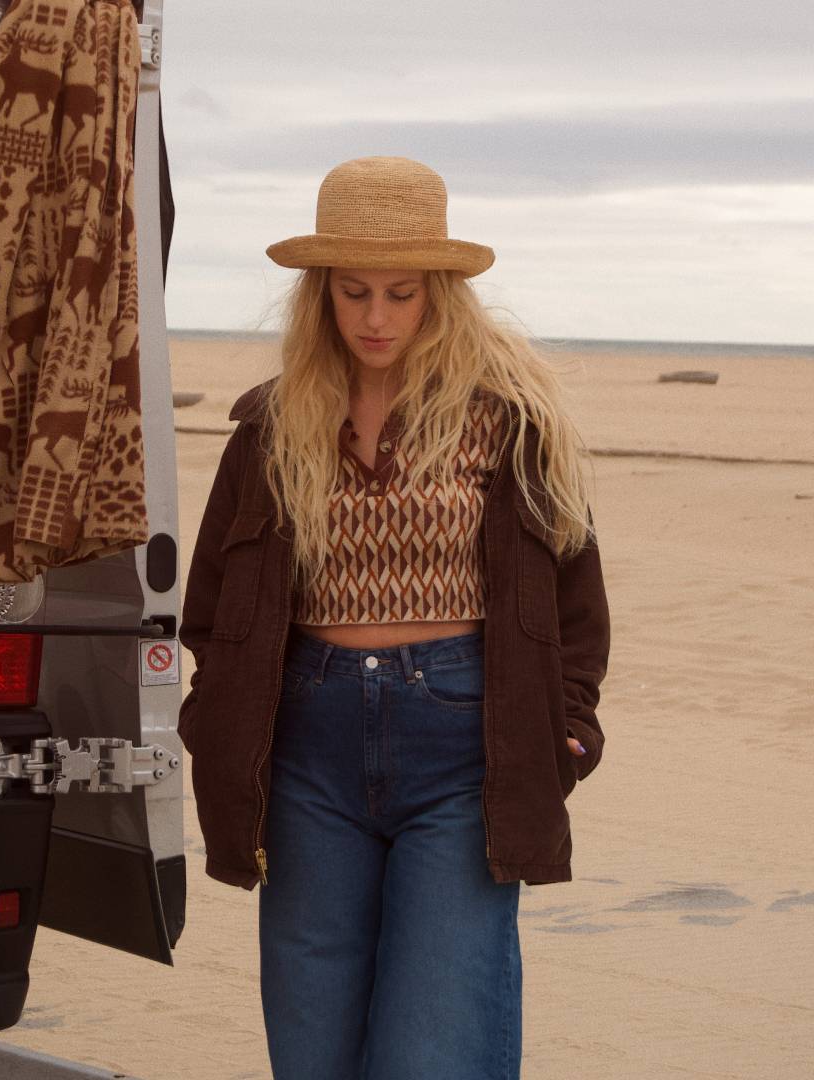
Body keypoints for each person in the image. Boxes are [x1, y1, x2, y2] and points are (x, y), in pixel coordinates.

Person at [178, 156, 610, 1080]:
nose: (375, 319)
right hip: (307, 756)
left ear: (440, 295)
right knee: (313, 1054)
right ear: (321, 295)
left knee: (433, 1051)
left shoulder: (511, 422)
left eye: (401, 294)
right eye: (353, 292)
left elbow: (576, 603)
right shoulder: (270, 426)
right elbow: (214, 607)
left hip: (464, 749)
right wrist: (211, 723)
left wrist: (565, 732)